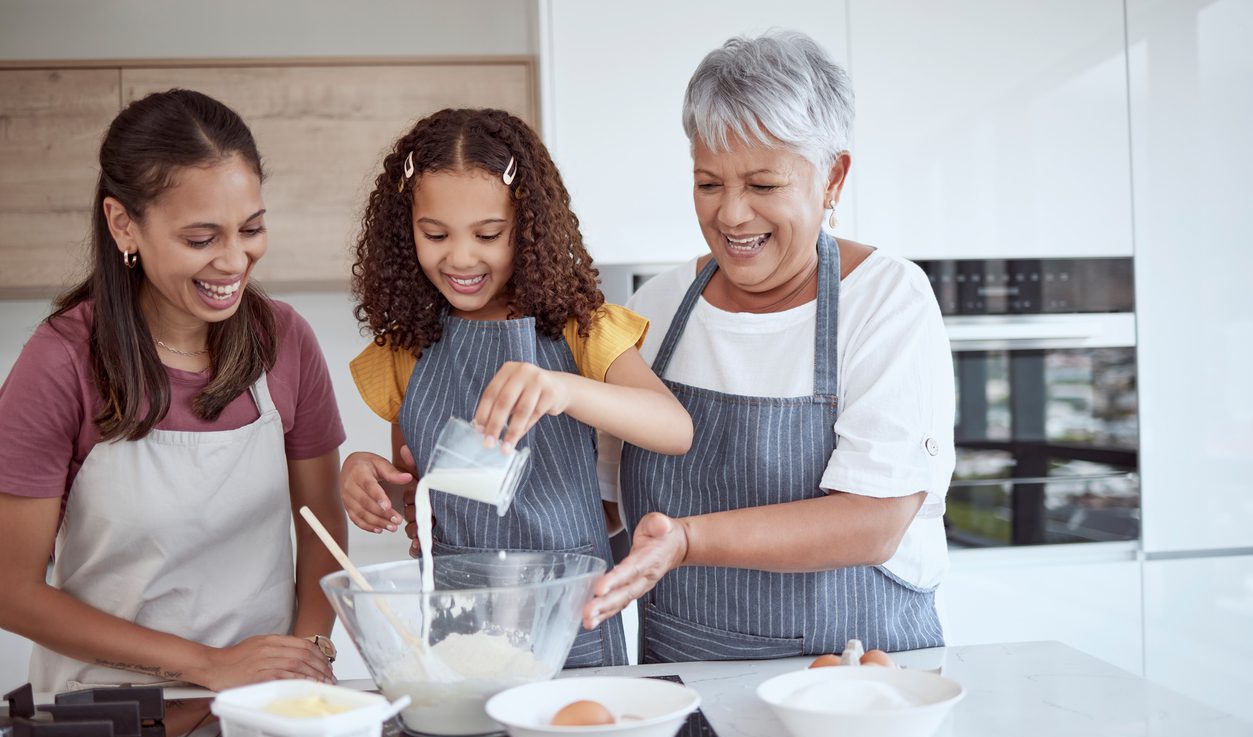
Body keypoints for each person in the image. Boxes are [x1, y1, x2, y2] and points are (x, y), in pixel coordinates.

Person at [585, 32, 957, 662]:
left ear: (832, 175)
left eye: (762, 185)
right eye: (708, 184)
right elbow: (603, 507)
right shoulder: (656, 308)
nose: (731, 215)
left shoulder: (887, 300)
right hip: (681, 681)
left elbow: (874, 520)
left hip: (850, 682)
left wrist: (686, 540)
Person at [0, 90, 347, 692]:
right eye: (201, 239)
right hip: (106, 717)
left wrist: (307, 653)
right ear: (122, 223)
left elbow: (322, 528)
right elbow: (11, 591)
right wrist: (209, 666)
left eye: (252, 228)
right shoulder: (60, 361)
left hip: (262, 705)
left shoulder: (286, 340)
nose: (235, 260)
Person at [339, 108, 693, 668]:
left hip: (570, 619)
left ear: (528, 228)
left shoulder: (580, 328)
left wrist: (565, 389)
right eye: (435, 234)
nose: (460, 257)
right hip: (458, 625)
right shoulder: (405, 348)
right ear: (406, 232)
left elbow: (674, 428)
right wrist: (366, 476)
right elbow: (418, 497)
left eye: (488, 234)